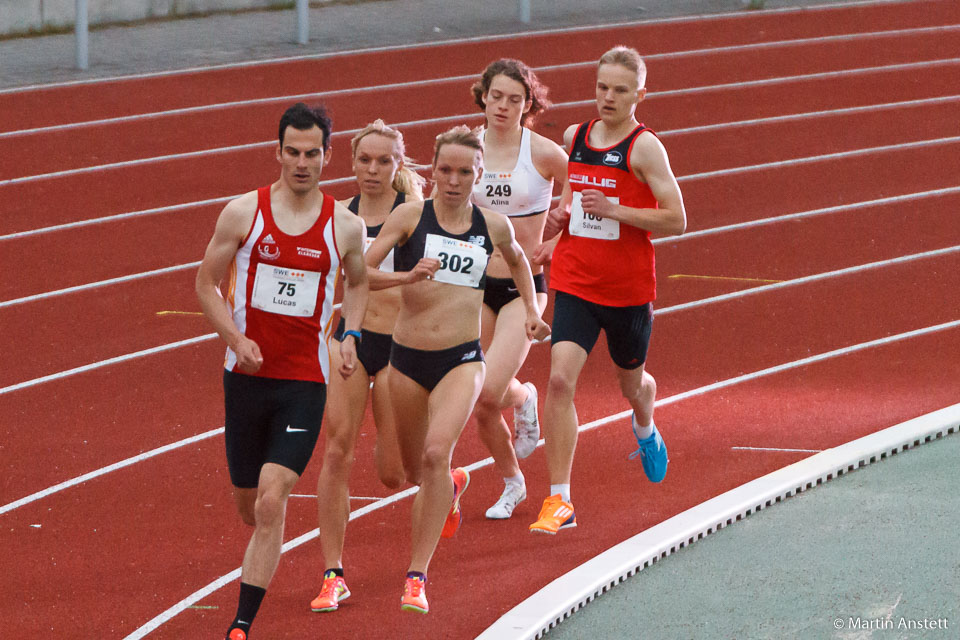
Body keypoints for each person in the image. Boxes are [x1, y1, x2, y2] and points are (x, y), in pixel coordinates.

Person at [195, 102, 368, 640]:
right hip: (245, 378)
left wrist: (351, 336)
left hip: (305, 382)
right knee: (249, 504)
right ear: (277, 152)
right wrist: (235, 338)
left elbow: (359, 282)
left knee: (274, 497)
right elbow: (205, 283)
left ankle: (242, 625)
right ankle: (262, 534)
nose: (301, 162)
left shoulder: (345, 225)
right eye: (291, 152)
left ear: (326, 156)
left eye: (311, 153)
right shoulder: (242, 213)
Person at [364, 125, 550, 613]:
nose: (453, 180)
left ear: (479, 174)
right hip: (405, 359)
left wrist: (531, 311)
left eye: (464, 171)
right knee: (412, 471)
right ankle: (453, 483)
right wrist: (407, 275)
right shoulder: (409, 217)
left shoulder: (493, 226)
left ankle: (416, 576)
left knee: (432, 456)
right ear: (432, 170)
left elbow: (521, 263)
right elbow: (360, 271)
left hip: (461, 359)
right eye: (444, 170)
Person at [529, 46, 686, 535]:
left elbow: (677, 219)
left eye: (620, 90)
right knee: (558, 380)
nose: (608, 97)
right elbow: (575, 197)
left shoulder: (645, 148)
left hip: (627, 291)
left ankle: (644, 422)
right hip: (576, 280)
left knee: (631, 383)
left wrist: (616, 211)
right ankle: (560, 498)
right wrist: (558, 228)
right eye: (602, 87)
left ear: (640, 94)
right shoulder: (576, 136)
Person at [310, 119, 426, 613]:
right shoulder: (339, 216)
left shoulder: (417, 215)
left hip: (402, 346)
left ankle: (446, 479)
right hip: (351, 340)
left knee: (393, 476)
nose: (372, 170)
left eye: (383, 161)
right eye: (364, 160)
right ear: (351, 162)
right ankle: (332, 574)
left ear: (398, 165)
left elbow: (392, 279)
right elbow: (343, 282)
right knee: (337, 449)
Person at [469, 59, 567, 520]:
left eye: (515, 99)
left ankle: (523, 397)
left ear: (529, 104)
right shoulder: (468, 148)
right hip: (473, 283)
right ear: (483, 97)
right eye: (496, 97)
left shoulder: (544, 153)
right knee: (474, 397)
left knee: (488, 391)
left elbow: (584, 195)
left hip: (523, 288)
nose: (503, 106)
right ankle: (513, 482)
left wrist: (555, 239)